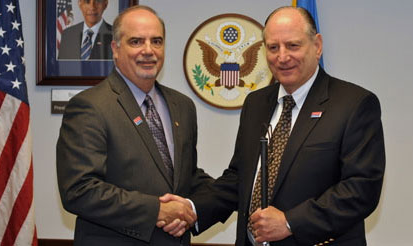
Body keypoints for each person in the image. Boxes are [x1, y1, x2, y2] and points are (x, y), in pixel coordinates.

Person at [160, 6, 385, 246]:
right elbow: (239, 179)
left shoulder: (354, 104)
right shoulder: (256, 103)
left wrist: (290, 222)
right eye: (273, 47)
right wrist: (193, 208)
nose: (282, 56)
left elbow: (361, 189)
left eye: (293, 45)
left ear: (317, 46)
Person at [56, 5, 213, 245]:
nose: (148, 51)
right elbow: (79, 190)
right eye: (136, 41)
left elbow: (186, 176)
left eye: (157, 41)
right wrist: (156, 211)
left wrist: (231, 195)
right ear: (115, 49)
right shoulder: (89, 107)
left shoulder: (182, 106)